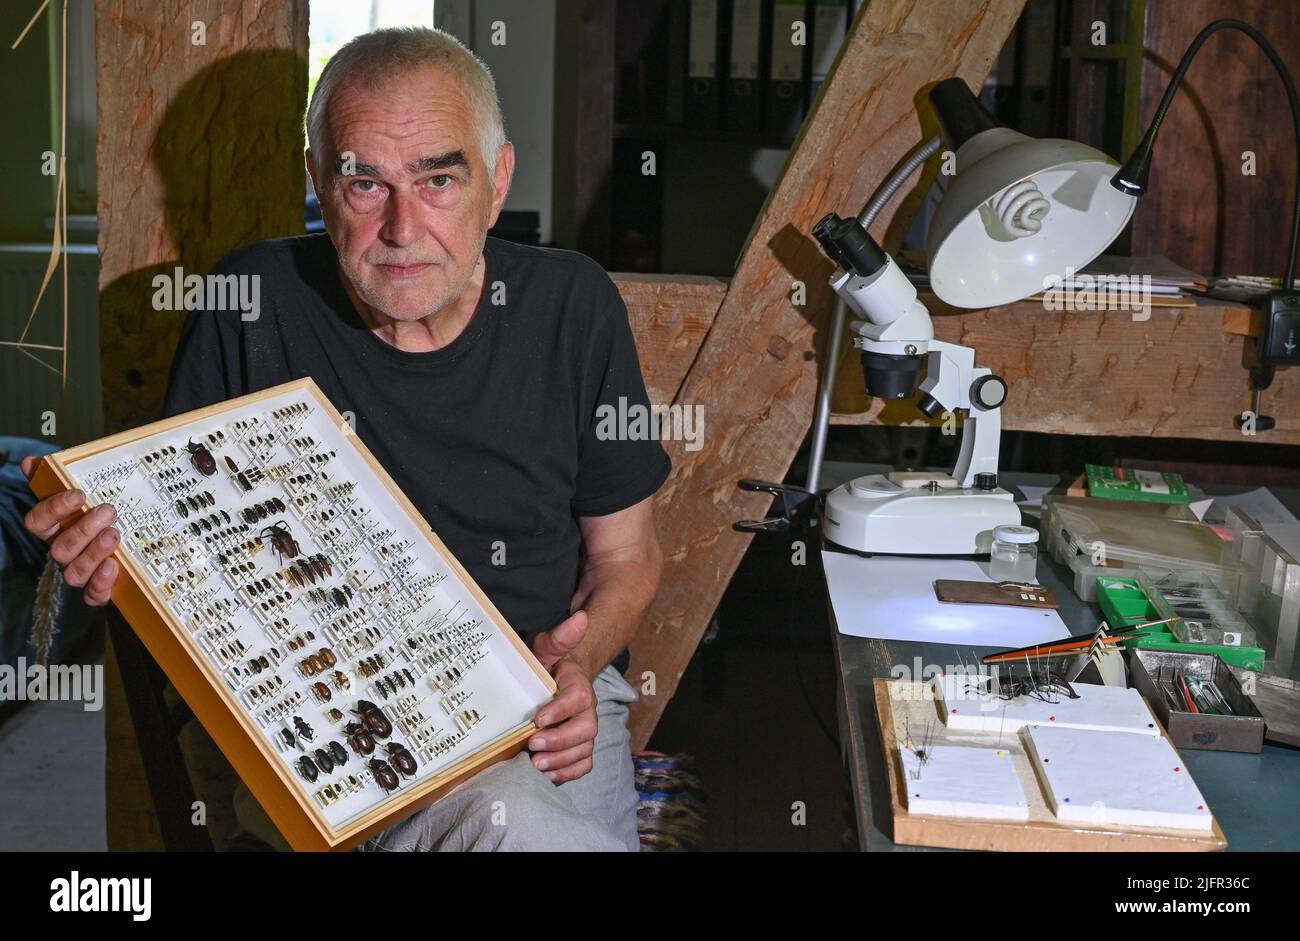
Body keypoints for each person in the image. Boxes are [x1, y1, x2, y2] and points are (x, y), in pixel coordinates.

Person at [21, 26, 669, 852]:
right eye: (364, 183)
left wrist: (580, 664)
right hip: (319, 706)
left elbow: (629, 558)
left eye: (439, 178)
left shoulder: (573, 306)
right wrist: (107, 554)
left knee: (525, 822)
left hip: (539, 694)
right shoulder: (251, 299)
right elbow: (175, 548)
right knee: (523, 830)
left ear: (498, 181)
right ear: (318, 183)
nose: (402, 227)